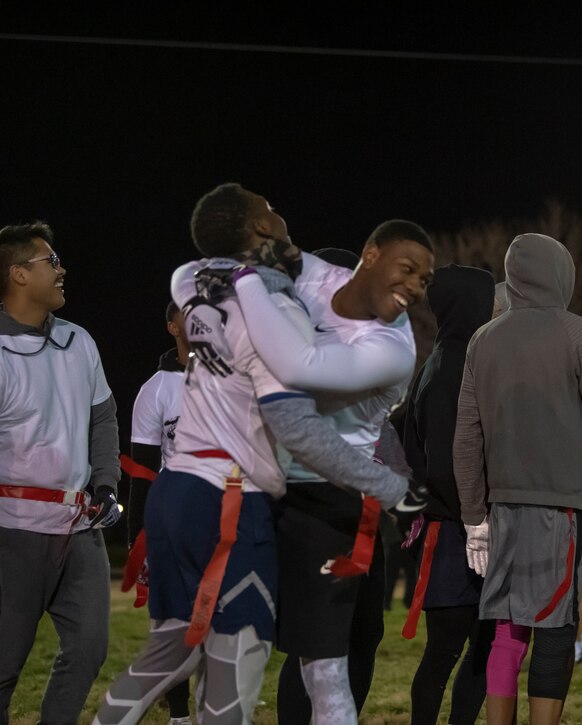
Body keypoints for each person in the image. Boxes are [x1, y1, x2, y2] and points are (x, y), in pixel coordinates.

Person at [94, 184, 409, 725]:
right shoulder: (278, 315)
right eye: (270, 210)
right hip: (230, 497)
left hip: (180, 486)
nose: (281, 215)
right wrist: (389, 485)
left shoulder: (196, 285)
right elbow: (295, 419)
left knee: (169, 655)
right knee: (235, 668)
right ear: (261, 232)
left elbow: (193, 274)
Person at [221, 224, 435, 723]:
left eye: (424, 279)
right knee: (246, 651)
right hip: (265, 493)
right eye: (409, 271)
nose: (417, 287)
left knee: (328, 664)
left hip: (326, 506)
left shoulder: (390, 348)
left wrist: (254, 281)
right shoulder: (307, 296)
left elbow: (298, 373)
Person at [454, 233, 582, 725]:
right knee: (556, 628)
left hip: (501, 506)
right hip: (559, 506)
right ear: (561, 273)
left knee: (507, 627)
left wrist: (474, 515)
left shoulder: (483, 337)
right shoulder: (577, 332)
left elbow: (466, 439)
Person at [0, 221, 122, 725]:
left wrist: (106, 482)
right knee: (5, 664)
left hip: (80, 526)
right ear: (19, 274)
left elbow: (102, 416)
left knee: (90, 648)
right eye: (51, 261)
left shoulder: (79, 340)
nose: (61, 269)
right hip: (14, 531)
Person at [401, 263, 494, 725]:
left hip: (466, 523)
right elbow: (442, 463)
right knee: (448, 647)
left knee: (484, 644)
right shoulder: (449, 369)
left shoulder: (451, 360)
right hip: (459, 529)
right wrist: (476, 517)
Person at [127, 300, 194, 725]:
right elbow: (142, 475)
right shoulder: (155, 390)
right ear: (173, 326)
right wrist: (140, 544)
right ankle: (180, 716)